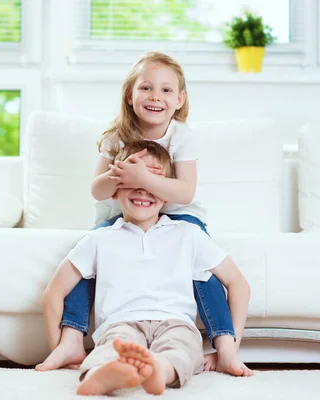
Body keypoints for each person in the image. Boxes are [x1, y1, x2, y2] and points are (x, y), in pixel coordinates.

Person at [36, 51, 252, 377]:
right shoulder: (116, 136)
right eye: (146, 88)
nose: (155, 97)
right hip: (121, 211)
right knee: (90, 253)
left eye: (166, 90)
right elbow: (97, 190)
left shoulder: (181, 136)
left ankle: (225, 345)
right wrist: (119, 177)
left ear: (180, 100)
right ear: (130, 94)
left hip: (180, 212)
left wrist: (145, 179)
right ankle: (70, 338)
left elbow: (185, 191)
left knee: (202, 267)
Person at [40, 141, 251, 396]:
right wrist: (58, 347)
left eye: (153, 181)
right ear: (115, 191)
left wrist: (232, 348)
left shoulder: (189, 234)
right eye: (133, 179)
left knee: (182, 351)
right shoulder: (99, 239)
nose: (143, 189)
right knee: (114, 349)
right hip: (121, 324)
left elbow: (238, 284)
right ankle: (102, 375)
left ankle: (158, 370)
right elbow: (53, 293)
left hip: (177, 324)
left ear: (166, 193)